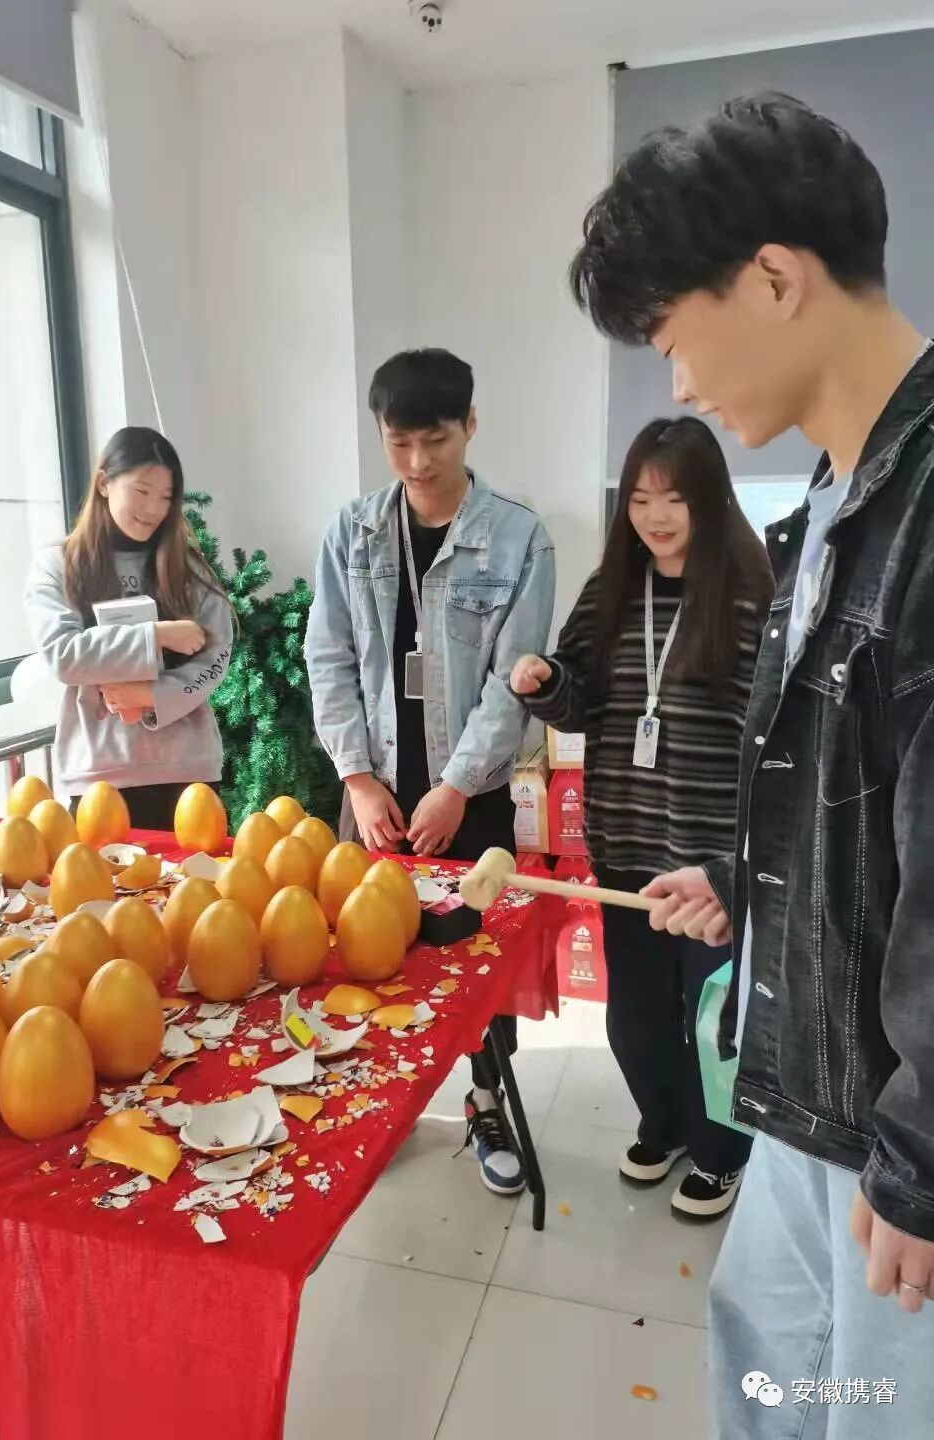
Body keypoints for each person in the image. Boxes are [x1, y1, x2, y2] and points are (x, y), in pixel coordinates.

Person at [569, 92, 934, 1435]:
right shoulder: (828, 504)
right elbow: (858, 792)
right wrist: (741, 879)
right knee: (768, 1372)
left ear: (775, 279)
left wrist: (922, 1161)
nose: (676, 387)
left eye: (672, 338)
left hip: (896, 1124)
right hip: (806, 1084)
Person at [305, 349, 555, 1195]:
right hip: (372, 790)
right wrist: (355, 776)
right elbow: (328, 656)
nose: (417, 462)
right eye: (399, 441)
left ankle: (486, 1101)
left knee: (475, 965)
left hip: (469, 798)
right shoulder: (353, 532)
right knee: (368, 956)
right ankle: (380, 1101)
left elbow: (514, 680)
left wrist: (454, 787)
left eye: (436, 440)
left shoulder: (519, 537)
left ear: (470, 426)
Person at [512, 417, 772, 1220]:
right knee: (635, 1020)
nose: (656, 516)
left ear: (710, 501)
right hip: (626, 846)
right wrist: (545, 683)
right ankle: (663, 1124)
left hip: (708, 863)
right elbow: (580, 699)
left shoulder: (749, 596)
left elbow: (774, 734)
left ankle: (722, 1153)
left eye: (675, 499)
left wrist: (745, 862)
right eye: (640, 498)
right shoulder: (612, 591)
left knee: (713, 1021)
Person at [26, 426, 233, 832]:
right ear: (104, 483)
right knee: (103, 875)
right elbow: (64, 656)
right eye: (142, 491)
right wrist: (157, 635)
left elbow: (216, 657)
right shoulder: (58, 565)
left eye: (166, 497)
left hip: (187, 772)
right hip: (99, 775)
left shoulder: (187, 569)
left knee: (194, 875)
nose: (154, 508)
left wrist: (152, 696)